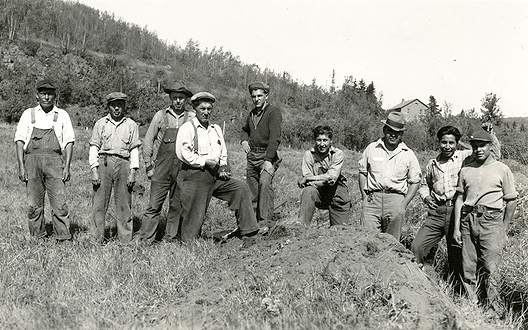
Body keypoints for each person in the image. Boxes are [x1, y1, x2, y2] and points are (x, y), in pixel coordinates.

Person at [176, 92, 261, 242]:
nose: (206, 112)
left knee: (240, 188)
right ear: (195, 108)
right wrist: (204, 162)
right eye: (203, 108)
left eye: (209, 109)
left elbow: (223, 152)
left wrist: (223, 168)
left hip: (215, 175)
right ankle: (189, 244)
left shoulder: (215, 129)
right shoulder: (188, 128)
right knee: (195, 213)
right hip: (194, 175)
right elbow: (183, 153)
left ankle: (249, 232)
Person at [452, 130, 517, 312]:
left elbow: (511, 201)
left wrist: (503, 230)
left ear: (491, 147)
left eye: (482, 145)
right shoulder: (466, 169)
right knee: (468, 265)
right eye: (474, 146)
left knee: (491, 267)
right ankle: (472, 305)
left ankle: (493, 309)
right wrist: (456, 228)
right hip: (468, 219)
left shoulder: (502, 169)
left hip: (491, 220)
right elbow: (459, 197)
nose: (478, 149)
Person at [15, 79, 75, 241]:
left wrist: (67, 166)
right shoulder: (29, 114)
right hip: (32, 163)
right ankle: (37, 236)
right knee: (34, 204)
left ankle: (62, 236)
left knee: (59, 202)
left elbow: (69, 142)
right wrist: (21, 166)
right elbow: (19, 141)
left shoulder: (62, 115)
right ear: (37, 95)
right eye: (43, 93)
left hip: (55, 162)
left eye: (50, 94)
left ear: (55, 96)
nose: (46, 97)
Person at [412, 126, 472, 286]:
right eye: (444, 142)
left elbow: (486, 151)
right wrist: (425, 197)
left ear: (457, 143)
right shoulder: (433, 164)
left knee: (457, 252)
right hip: (437, 211)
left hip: (457, 211)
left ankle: (458, 290)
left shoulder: (464, 157)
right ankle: (420, 283)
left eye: (452, 142)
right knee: (417, 246)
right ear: (438, 143)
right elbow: (424, 184)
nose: (447, 146)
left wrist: (464, 143)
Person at [136, 82, 194, 243]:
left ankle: (171, 238)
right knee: (154, 205)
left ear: (185, 100)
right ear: (170, 98)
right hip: (161, 167)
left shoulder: (191, 117)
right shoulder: (160, 116)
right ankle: (145, 239)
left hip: (182, 168)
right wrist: (148, 165)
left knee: (176, 205)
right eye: (175, 98)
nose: (178, 101)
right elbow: (148, 141)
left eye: (181, 98)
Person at [358, 111, 421, 240]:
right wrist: (364, 197)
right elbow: (363, 172)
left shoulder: (408, 154)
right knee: (367, 241)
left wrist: (403, 205)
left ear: (401, 134)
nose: (393, 134)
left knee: (391, 243)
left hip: (395, 200)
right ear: (384, 130)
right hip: (372, 199)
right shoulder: (372, 148)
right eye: (390, 130)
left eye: (397, 132)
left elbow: (415, 181)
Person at [89, 92, 141, 243]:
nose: (117, 108)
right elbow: (94, 147)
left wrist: (133, 172)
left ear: (124, 106)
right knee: (99, 204)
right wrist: (94, 171)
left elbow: (134, 150)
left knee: (124, 204)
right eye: (114, 105)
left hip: (124, 165)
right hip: (104, 163)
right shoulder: (100, 124)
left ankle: (125, 240)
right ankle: (96, 239)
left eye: (120, 105)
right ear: (109, 106)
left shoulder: (131, 125)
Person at [241, 82, 282, 227]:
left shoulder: (273, 112)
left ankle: (265, 222)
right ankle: (252, 224)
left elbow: (275, 138)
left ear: (266, 96)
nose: (256, 99)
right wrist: (244, 141)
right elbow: (245, 129)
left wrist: (268, 160)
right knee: (252, 190)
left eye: (260, 96)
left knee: (264, 184)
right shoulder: (252, 114)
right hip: (252, 156)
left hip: (267, 156)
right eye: (254, 96)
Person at [298, 125, 350, 226]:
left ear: (331, 141)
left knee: (340, 232)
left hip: (337, 196)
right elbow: (308, 183)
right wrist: (316, 180)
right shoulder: (309, 155)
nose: (322, 144)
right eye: (319, 140)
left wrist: (308, 178)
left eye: (325, 140)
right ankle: (301, 226)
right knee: (308, 191)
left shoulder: (338, 154)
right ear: (315, 140)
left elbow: (331, 176)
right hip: (319, 193)